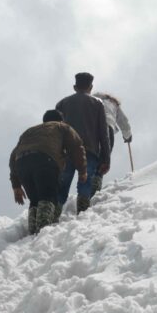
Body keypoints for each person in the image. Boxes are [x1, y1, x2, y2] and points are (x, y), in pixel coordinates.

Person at [9, 109, 87, 234]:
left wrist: (16, 185)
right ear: (61, 120)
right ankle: (42, 232)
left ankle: (32, 233)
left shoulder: (29, 131)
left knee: (34, 200)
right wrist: (82, 170)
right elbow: (77, 146)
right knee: (47, 196)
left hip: (21, 163)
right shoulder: (61, 126)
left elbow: (13, 155)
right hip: (45, 160)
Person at [55, 72, 111, 213]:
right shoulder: (98, 104)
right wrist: (106, 159)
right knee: (85, 186)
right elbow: (103, 134)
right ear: (91, 87)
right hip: (89, 152)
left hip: (66, 152)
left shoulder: (62, 104)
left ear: (75, 87)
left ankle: (53, 216)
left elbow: (54, 130)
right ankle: (83, 215)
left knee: (61, 187)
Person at [91, 91, 133, 194]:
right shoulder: (114, 105)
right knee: (105, 155)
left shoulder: (93, 100)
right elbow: (124, 122)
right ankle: (96, 179)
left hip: (91, 128)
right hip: (107, 126)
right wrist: (127, 136)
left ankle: (88, 177)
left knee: (90, 154)